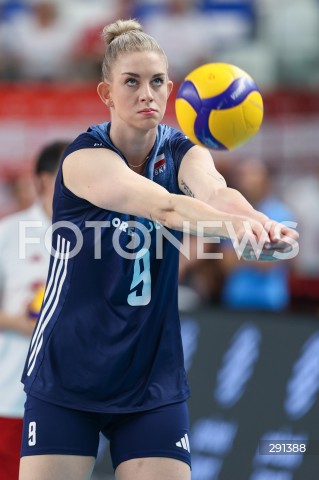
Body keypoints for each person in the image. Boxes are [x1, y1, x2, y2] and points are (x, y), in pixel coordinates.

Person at [19, 19, 299, 480]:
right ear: (106, 93)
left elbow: (214, 192)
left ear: (171, 89)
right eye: (131, 82)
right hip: (69, 368)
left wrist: (260, 223)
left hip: (150, 375)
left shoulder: (184, 151)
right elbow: (166, 207)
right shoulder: (84, 159)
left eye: (155, 82)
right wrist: (236, 228)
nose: (145, 93)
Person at [0, 141, 67, 480]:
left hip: (71, 399)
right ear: (43, 181)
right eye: (68, 174)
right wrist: (22, 321)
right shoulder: (9, 234)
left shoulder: (99, 238)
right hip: (11, 394)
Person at [220, 158, 296, 311]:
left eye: (251, 175)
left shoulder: (280, 213)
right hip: (235, 299)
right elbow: (225, 262)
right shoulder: (233, 214)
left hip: (269, 303)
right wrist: (257, 252)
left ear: (265, 181)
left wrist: (240, 254)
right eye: (242, 175)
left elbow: (269, 263)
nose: (245, 180)